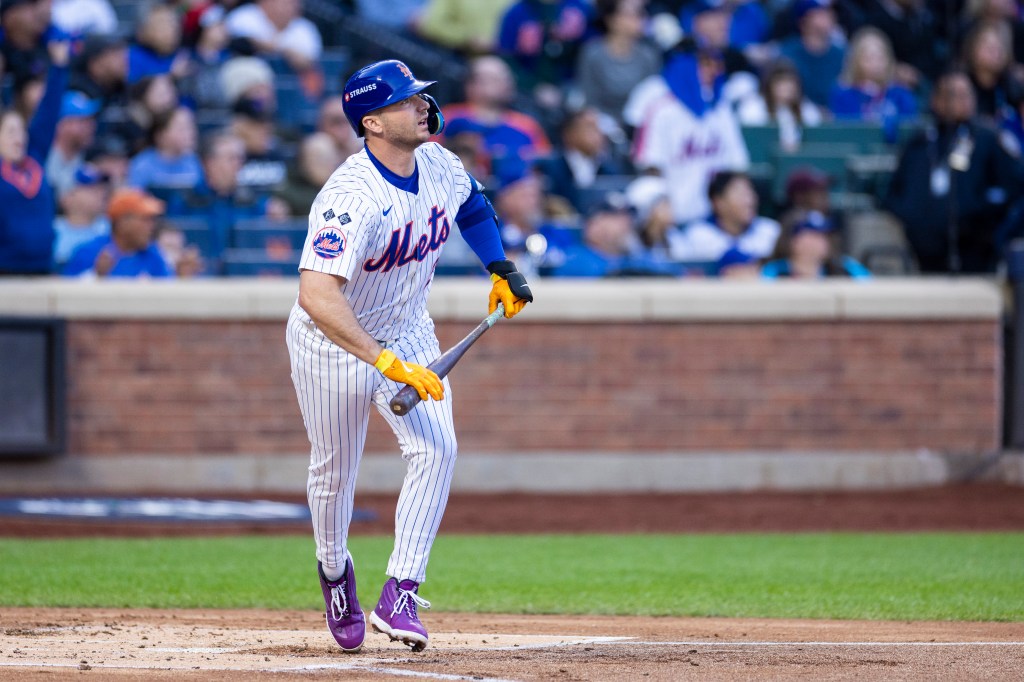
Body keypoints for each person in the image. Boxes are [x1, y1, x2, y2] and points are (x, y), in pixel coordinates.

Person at [285, 59, 533, 654]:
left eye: (420, 97)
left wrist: (499, 266)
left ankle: (401, 588)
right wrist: (384, 363)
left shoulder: (440, 164)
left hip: (407, 327)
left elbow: (471, 205)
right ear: (371, 121)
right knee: (333, 473)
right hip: (333, 340)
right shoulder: (350, 197)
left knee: (436, 446)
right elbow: (317, 294)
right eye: (405, 101)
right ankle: (333, 571)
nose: (421, 105)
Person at [882, 68, 1024, 273]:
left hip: (976, 249)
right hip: (924, 249)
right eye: (952, 94)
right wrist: (914, 218)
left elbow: (1013, 187)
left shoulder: (988, 139)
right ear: (936, 100)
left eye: (966, 94)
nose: (961, 101)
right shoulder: (920, 143)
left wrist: (983, 214)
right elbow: (893, 193)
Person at [627, 46, 750, 225]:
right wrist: (663, 212)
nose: (713, 71)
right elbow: (651, 166)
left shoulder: (721, 109)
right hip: (675, 217)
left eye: (716, 64)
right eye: (705, 64)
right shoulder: (661, 109)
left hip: (714, 221)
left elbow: (736, 164)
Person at [164, 131, 286, 272]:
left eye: (240, 159)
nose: (238, 165)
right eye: (231, 159)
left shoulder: (255, 203)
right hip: (198, 279)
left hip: (243, 280)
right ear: (209, 163)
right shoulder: (185, 201)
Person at [0, 39, 69, 275]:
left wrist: (59, 67)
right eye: (10, 132)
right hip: (5, 270)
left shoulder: (35, 155)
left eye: (21, 130)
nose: (18, 137)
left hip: (42, 267)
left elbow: (49, 112)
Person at [440, 55, 552, 185]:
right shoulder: (449, 117)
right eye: (496, 79)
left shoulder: (527, 126)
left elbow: (545, 165)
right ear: (471, 85)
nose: (506, 84)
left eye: (508, 79)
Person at [63, 186, 190, 277]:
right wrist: (96, 277)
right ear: (122, 222)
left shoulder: (152, 254)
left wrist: (181, 278)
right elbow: (66, 300)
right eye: (145, 220)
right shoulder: (89, 252)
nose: (151, 226)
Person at [575, 0, 661, 128]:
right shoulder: (593, 54)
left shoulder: (649, 55)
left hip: (640, 124)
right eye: (631, 14)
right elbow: (589, 100)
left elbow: (653, 97)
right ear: (611, 19)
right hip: (602, 124)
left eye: (641, 14)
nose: (639, 19)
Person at [552, 192, 678, 277]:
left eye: (628, 216)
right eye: (617, 217)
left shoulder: (635, 257)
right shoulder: (575, 261)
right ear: (593, 226)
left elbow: (673, 274)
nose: (627, 223)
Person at [668, 169, 780, 263]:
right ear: (718, 202)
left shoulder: (771, 231)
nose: (749, 201)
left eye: (750, 193)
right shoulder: (698, 235)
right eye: (741, 194)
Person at [540, 107, 629, 213]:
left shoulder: (609, 170)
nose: (598, 134)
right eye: (590, 128)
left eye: (599, 128)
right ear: (569, 133)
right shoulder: (549, 167)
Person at [828, 27, 918, 129]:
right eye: (869, 58)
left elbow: (908, 128)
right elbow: (845, 129)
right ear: (856, 61)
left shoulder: (901, 95)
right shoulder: (843, 94)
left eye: (880, 58)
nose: (875, 64)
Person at [737, 57, 823, 151]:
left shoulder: (807, 109)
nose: (788, 87)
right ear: (770, 84)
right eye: (781, 82)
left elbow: (815, 141)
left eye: (791, 82)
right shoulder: (753, 107)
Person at [761, 209, 871, 279]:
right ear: (793, 240)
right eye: (814, 234)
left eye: (824, 234)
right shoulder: (774, 272)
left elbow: (870, 291)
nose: (822, 240)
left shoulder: (846, 268)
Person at [778, 0, 846, 109]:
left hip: (836, 119)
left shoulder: (842, 54)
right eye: (821, 13)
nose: (829, 16)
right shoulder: (788, 53)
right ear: (803, 20)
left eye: (829, 12)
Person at [125, 106, 203, 191]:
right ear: (160, 135)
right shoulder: (142, 165)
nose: (191, 133)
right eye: (182, 128)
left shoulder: (195, 162)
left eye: (191, 127)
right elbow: (134, 199)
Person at [53, 163, 111, 269]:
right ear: (68, 197)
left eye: (102, 188)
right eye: (91, 189)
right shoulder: (52, 232)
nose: (101, 193)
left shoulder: (112, 229)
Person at [45, 90, 101, 197]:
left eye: (91, 120)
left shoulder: (85, 161)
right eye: (82, 121)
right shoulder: (44, 158)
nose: (91, 126)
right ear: (61, 125)